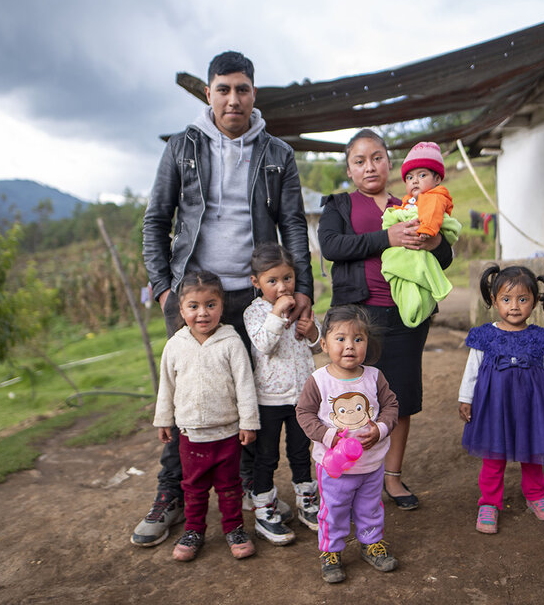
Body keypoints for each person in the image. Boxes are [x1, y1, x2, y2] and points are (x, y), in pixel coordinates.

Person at [136, 50, 313, 547]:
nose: (232, 98)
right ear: (209, 93)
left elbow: (294, 224)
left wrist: (301, 291)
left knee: (255, 401)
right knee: (190, 401)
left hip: (260, 299)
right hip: (196, 299)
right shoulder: (183, 147)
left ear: (254, 94)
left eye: (242, 89)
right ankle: (171, 495)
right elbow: (157, 219)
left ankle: (256, 501)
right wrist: (166, 287)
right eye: (223, 89)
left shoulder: (277, 153)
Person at [318, 129, 452, 511]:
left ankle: (392, 479)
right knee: (353, 397)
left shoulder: (414, 202)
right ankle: (352, 474)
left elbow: (443, 258)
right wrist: (387, 237)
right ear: (349, 169)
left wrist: (435, 243)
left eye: (376, 157)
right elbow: (332, 246)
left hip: (406, 316)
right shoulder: (340, 206)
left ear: (390, 163)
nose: (369, 166)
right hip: (357, 318)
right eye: (359, 161)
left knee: (401, 398)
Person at [152, 271, 259, 561]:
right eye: (194, 306)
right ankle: (194, 530)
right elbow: (166, 387)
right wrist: (164, 419)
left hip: (226, 435)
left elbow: (245, 384)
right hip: (191, 437)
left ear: (221, 306)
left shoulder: (231, 342)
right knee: (194, 489)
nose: (203, 313)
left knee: (229, 487)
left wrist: (249, 422)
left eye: (211, 305)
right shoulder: (175, 345)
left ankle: (235, 529)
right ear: (181, 308)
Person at [295, 305, 400, 583]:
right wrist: (329, 436)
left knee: (370, 508)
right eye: (340, 338)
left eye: (358, 339)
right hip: (335, 469)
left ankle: (371, 543)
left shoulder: (375, 377)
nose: (349, 346)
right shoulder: (319, 381)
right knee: (334, 509)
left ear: (367, 343)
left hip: (371, 464)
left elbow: (391, 406)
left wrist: (380, 429)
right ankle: (331, 552)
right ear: (325, 343)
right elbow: (303, 413)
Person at [457, 265, 544, 534]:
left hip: (532, 409)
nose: (514, 306)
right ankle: (489, 503)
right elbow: (472, 371)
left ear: (536, 302)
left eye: (523, 299)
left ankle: (536, 496)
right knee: (493, 457)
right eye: (506, 299)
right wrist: (466, 399)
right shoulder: (485, 336)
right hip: (494, 408)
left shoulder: (542, 338)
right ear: (494, 301)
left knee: (533, 453)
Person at [243, 243, 322, 545]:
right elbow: (264, 345)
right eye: (272, 281)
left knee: (301, 453)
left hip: (302, 397)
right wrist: (277, 314)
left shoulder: (300, 307)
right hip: (269, 400)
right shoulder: (255, 313)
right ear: (256, 282)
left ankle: (307, 504)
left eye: (287, 278)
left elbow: (318, 346)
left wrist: (312, 330)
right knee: (267, 457)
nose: (282, 286)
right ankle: (264, 511)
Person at [381, 141, 461, 327]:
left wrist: (426, 230)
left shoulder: (434, 196)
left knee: (415, 273)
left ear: (437, 179)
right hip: (409, 244)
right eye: (409, 177)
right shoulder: (410, 200)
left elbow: (431, 216)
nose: (414, 181)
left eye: (422, 175)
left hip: (424, 236)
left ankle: (416, 306)